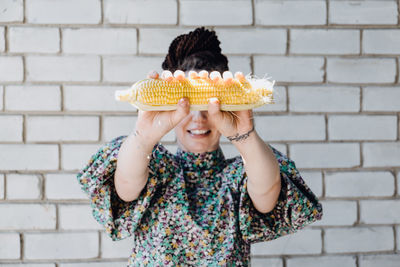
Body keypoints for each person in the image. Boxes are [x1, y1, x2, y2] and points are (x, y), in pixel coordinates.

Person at [77, 27, 323, 266]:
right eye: (190, 105)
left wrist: (245, 136)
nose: (199, 118)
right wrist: (142, 137)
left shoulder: (238, 177)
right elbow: (126, 186)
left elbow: (268, 192)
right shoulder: (157, 169)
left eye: (208, 105)